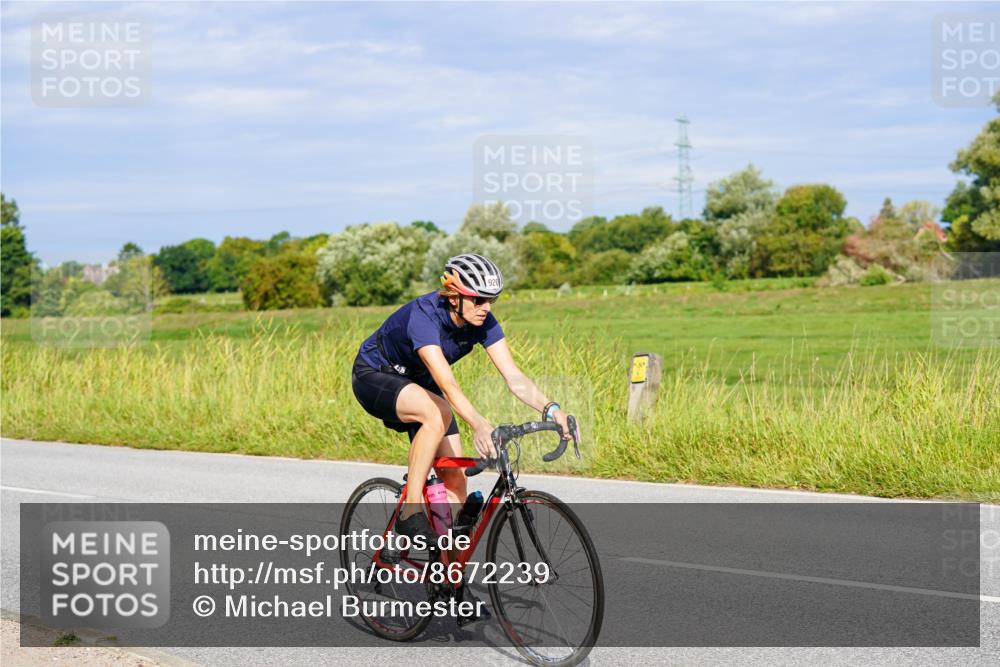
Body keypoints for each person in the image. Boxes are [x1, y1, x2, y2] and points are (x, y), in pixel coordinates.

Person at [351, 253, 573, 542]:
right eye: (478, 300)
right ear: (454, 296)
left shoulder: (484, 322)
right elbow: (448, 384)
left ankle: (449, 577)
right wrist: (479, 424)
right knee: (436, 412)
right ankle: (410, 510)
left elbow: (514, 377)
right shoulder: (424, 315)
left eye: (491, 299)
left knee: (456, 479)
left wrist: (552, 408)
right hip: (374, 375)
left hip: (419, 382)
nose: (486, 307)